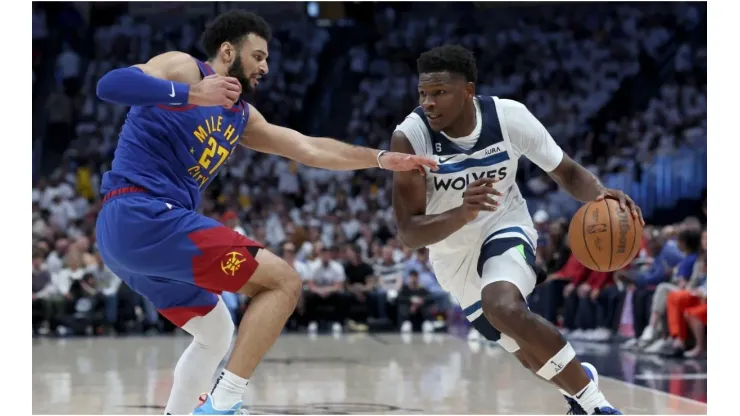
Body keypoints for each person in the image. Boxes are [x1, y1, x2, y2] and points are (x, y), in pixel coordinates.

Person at [94, 10, 437, 415]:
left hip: (133, 239)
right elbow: (109, 85)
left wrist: (381, 159)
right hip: (141, 213)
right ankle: (225, 403)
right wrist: (191, 95)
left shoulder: (241, 117)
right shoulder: (185, 69)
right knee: (283, 283)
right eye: (258, 56)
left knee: (215, 331)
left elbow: (310, 148)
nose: (265, 67)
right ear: (227, 51)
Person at [390, 45, 645, 415]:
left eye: (439, 92)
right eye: (423, 93)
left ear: (468, 91)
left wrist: (599, 193)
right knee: (526, 353)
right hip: (450, 252)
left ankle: (596, 406)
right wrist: (462, 213)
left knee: (503, 306)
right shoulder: (409, 139)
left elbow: (565, 171)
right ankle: (579, 383)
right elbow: (409, 232)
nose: (428, 102)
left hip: (504, 223)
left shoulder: (509, 117)